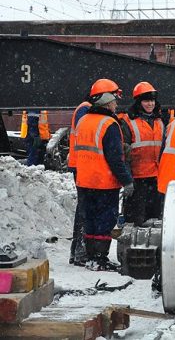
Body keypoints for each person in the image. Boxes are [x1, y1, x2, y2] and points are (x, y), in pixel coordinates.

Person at [74, 78, 133, 271]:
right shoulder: (109, 124)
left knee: (90, 219)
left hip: (84, 181)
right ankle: (100, 258)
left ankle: (91, 257)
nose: (116, 104)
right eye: (115, 99)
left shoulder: (84, 120)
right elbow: (115, 159)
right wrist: (127, 181)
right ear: (107, 100)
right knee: (104, 220)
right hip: (104, 182)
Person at [119, 81, 164, 225]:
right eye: (146, 101)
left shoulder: (160, 120)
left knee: (155, 219)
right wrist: (127, 179)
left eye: (152, 100)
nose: (150, 104)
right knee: (136, 219)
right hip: (138, 180)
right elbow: (123, 153)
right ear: (139, 102)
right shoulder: (128, 122)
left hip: (157, 178)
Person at [67, 98, 92, 266]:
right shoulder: (85, 110)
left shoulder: (83, 109)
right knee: (85, 208)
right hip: (83, 165)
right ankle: (80, 250)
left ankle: (78, 250)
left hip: (81, 164)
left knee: (85, 207)